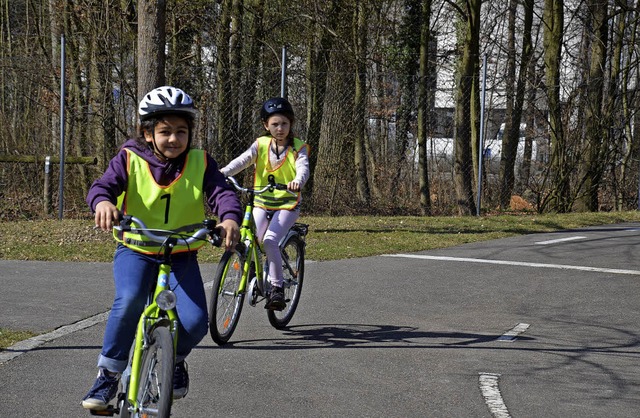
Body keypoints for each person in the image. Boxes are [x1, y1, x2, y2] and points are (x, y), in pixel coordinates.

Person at [81, 86, 242, 411]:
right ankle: (109, 373)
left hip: (180, 254)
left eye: (181, 131)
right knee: (129, 301)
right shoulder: (130, 158)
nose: (174, 139)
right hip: (136, 250)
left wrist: (229, 219)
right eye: (165, 131)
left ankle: (175, 357)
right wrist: (102, 203)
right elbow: (102, 187)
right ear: (147, 133)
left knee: (196, 321)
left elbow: (222, 193)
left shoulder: (200, 162)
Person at [220, 97, 310, 310]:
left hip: (286, 205)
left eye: (284, 124)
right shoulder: (260, 145)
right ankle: (255, 267)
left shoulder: (298, 147)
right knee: (252, 238)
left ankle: (277, 288)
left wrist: (298, 181)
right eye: (275, 124)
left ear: (291, 124)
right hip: (261, 202)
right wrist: (222, 173)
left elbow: (303, 168)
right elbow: (243, 160)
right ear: (266, 125)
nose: (280, 129)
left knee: (269, 241)